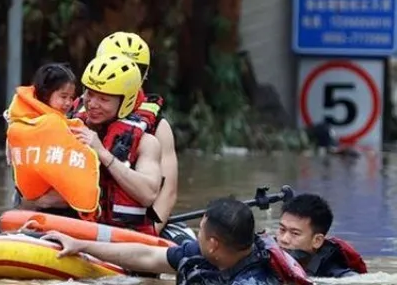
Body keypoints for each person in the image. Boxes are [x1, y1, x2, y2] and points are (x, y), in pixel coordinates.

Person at [73, 32, 191, 242]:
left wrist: (151, 233)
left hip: (129, 227)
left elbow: (167, 191)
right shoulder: (75, 115)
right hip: (80, 222)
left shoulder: (154, 129)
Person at [0, 63, 92, 247]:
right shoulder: (22, 127)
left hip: (61, 218)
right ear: (45, 94)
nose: (68, 103)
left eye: (71, 97)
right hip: (27, 211)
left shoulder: (74, 130)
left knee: (15, 241)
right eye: (63, 97)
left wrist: (43, 200)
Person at [42, 197, 312, 285]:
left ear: (214, 243)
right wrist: (81, 245)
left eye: (202, 229)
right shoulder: (204, 254)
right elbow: (148, 256)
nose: (199, 232)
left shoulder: (255, 280)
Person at [70, 52, 163, 236]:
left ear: (124, 102)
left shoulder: (147, 142)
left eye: (104, 99)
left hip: (122, 235)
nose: (92, 104)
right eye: (90, 94)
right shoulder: (70, 127)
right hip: (75, 228)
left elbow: (148, 195)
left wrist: (102, 153)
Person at [276, 193, 367, 278]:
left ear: (317, 241)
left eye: (295, 233)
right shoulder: (268, 254)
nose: (284, 239)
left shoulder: (337, 276)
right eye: (282, 230)